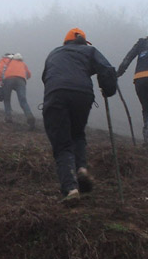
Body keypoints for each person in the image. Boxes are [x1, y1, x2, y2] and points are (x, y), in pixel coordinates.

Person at [42, 28, 117, 206]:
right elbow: (107, 69)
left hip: (56, 94)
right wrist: (108, 89)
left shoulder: (54, 53)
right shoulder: (89, 50)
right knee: (77, 133)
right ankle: (81, 168)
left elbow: (46, 77)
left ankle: (71, 188)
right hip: (82, 94)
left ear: (66, 42)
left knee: (62, 144)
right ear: (83, 42)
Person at [0, 52, 35, 128]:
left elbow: (0, 70)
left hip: (8, 79)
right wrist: (22, 76)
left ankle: (8, 117)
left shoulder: (4, 60)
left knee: (7, 99)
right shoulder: (21, 62)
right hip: (21, 80)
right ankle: (29, 115)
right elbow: (29, 74)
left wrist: (1, 80)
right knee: (23, 100)